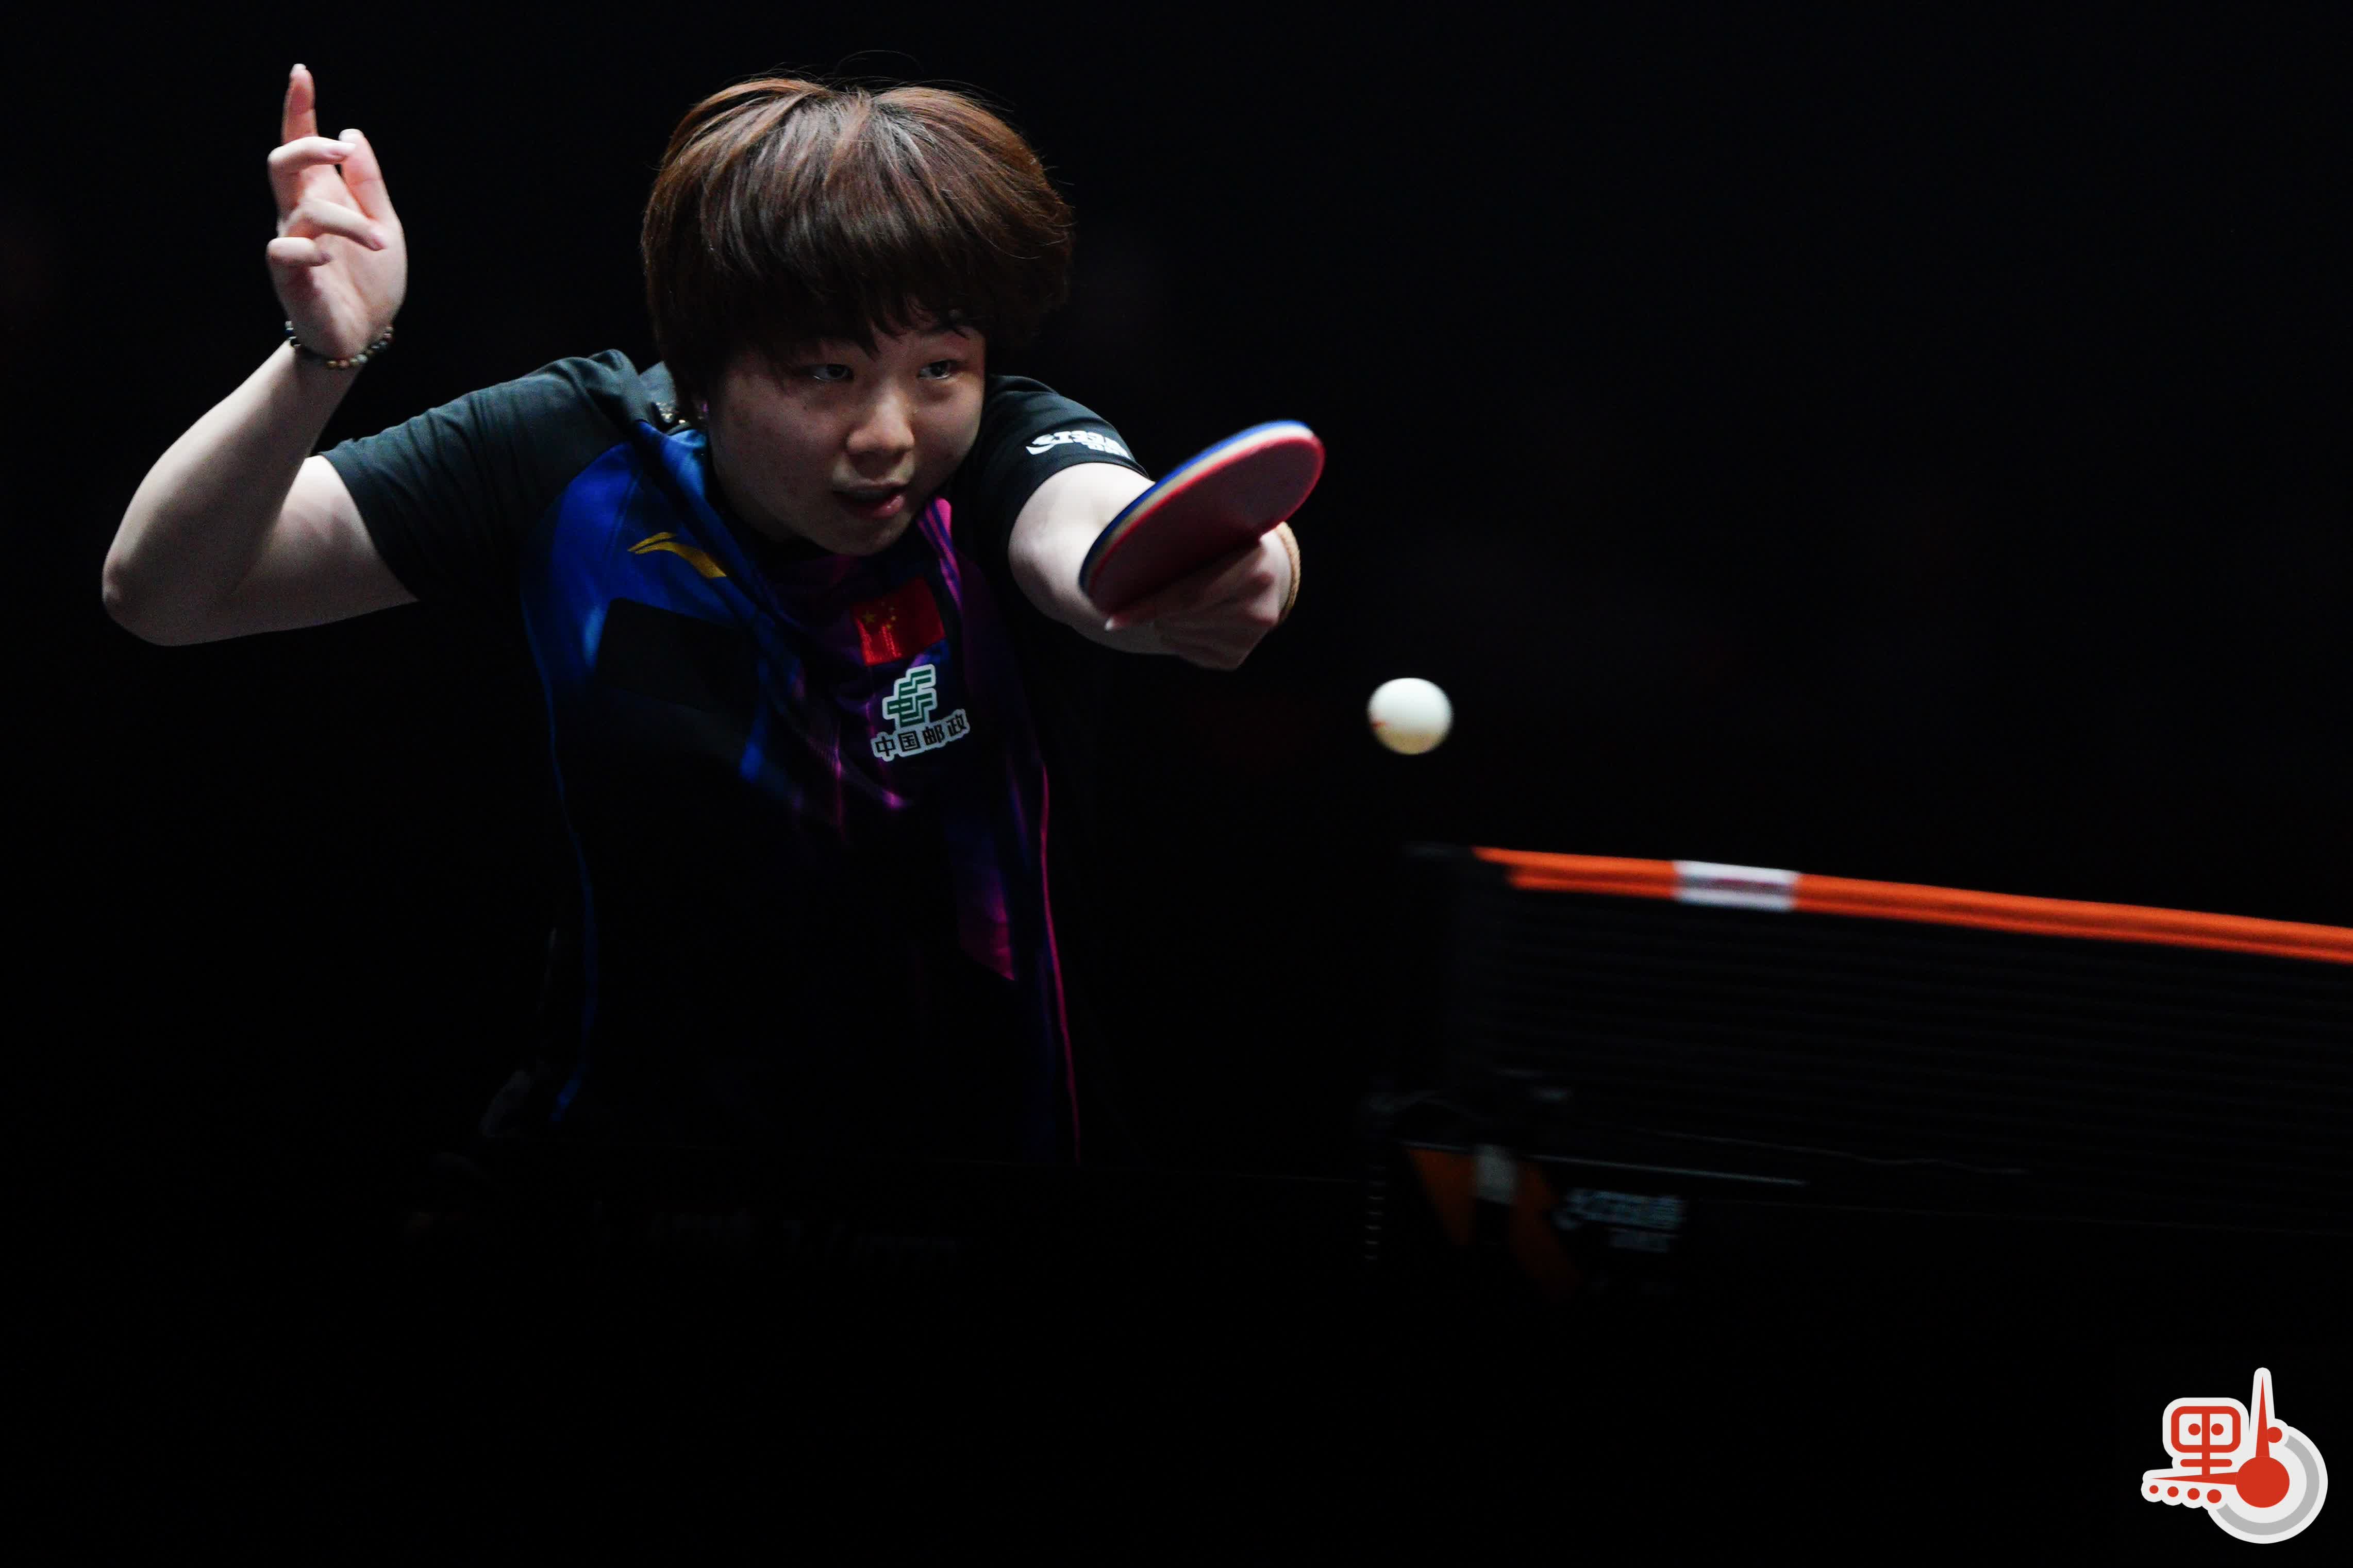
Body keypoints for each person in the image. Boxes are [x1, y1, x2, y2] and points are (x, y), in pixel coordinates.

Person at [103, 66, 1302, 1218]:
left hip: (992, 1191)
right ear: (705, 365)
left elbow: (1099, 535)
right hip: (615, 1186)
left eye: (940, 365)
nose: (890, 432)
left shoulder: (999, 456)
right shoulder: (570, 452)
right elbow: (163, 592)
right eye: (827, 371)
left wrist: (1218, 571)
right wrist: (322, 359)